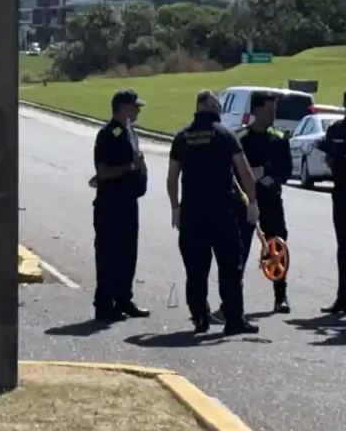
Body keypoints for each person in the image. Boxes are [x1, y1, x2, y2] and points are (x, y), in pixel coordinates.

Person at [167, 90, 260, 335]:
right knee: (230, 267)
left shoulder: (182, 137)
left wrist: (175, 207)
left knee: (196, 269)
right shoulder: (225, 135)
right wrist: (252, 202)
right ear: (213, 107)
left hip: (191, 213)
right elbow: (245, 172)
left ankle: (200, 316)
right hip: (221, 212)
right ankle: (233, 320)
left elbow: (172, 176)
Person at [90, 89, 150, 323]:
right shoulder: (109, 134)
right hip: (111, 205)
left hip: (128, 202)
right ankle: (105, 304)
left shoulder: (129, 132)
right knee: (109, 254)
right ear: (124, 108)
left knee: (128, 253)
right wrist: (131, 167)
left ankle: (124, 299)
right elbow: (104, 171)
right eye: (135, 107)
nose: (138, 111)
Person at [235, 91, 293, 314]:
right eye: (269, 110)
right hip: (245, 202)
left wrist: (272, 177)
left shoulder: (278, 139)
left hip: (271, 201)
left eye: (274, 110)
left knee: (277, 248)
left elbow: (286, 170)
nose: (272, 114)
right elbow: (231, 171)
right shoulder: (241, 139)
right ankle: (232, 299)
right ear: (256, 110)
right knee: (239, 249)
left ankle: (281, 297)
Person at [317, 89, 346, 315]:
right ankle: (345, 300)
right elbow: (328, 156)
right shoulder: (336, 130)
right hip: (342, 194)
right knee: (345, 250)